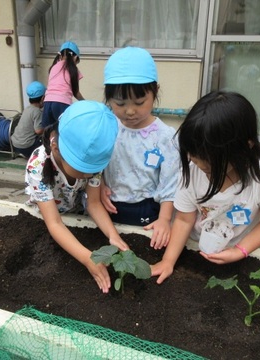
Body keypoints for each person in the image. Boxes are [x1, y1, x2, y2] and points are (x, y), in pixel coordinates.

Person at [152, 91, 260, 284]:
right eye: (194, 158)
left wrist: (239, 251)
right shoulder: (192, 172)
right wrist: (168, 261)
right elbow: (184, 220)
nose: (200, 167)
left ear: (246, 146)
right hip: (195, 242)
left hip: (238, 244)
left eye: (210, 165)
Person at [25, 100, 129, 293]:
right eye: (82, 171)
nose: (88, 177)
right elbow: (54, 223)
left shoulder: (93, 165)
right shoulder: (38, 165)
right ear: (56, 149)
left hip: (75, 214)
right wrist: (87, 258)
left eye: (93, 172)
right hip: (46, 217)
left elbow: (94, 203)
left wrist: (113, 235)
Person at [101, 46, 180, 249]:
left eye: (139, 102)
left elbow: (170, 183)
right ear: (108, 99)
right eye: (119, 103)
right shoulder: (106, 127)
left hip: (148, 210)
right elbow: (94, 162)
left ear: (155, 93)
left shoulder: (165, 137)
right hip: (109, 206)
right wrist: (99, 186)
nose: (129, 111)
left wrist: (164, 219)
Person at [41, 41, 84, 128]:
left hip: (48, 101)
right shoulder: (73, 70)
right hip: (61, 102)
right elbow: (76, 92)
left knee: (48, 130)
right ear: (75, 58)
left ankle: (48, 142)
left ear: (60, 56)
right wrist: (85, 102)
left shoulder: (53, 67)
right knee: (65, 129)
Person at [11, 81, 46, 158]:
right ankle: (34, 155)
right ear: (43, 98)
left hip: (15, 144)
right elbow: (38, 131)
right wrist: (48, 126)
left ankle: (24, 153)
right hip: (27, 146)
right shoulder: (37, 112)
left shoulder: (27, 109)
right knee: (46, 140)